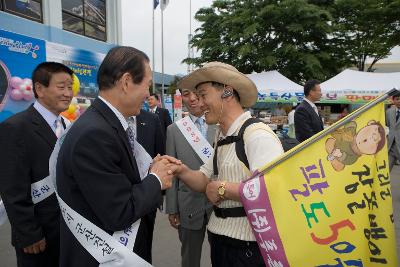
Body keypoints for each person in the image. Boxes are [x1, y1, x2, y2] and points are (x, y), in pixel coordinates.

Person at [55, 46, 179, 266]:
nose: (148, 94)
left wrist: (151, 170)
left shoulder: (103, 124)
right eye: (147, 85)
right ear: (126, 82)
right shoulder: (95, 134)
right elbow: (119, 211)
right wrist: (157, 178)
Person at [172, 62, 284, 267]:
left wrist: (222, 189)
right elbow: (204, 179)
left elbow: (273, 189)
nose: (198, 102)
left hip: (248, 246)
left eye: (203, 94)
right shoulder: (222, 137)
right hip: (221, 239)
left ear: (227, 92)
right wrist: (179, 169)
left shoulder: (257, 135)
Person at [0, 62, 73, 267]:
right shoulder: (15, 128)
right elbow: (12, 189)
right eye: (61, 87)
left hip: (70, 231)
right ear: (39, 89)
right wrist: (29, 234)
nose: (68, 93)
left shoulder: (67, 126)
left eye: (70, 87)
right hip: (38, 237)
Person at [165, 88, 216, 267]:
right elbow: (171, 172)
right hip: (188, 204)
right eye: (187, 94)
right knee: (189, 259)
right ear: (181, 97)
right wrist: (172, 208)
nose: (193, 99)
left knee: (222, 256)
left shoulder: (219, 124)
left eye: (197, 93)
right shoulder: (174, 130)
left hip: (219, 203)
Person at [134, 109, 165, 263]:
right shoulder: (105, 123)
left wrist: (160, 195)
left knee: (144, 250)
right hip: (118, 202)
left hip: (148, 199)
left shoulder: (152, 119)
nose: (147, 95)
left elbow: (160, 154)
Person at [386, 91, 400, 170]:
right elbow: (387, 126)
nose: (399, 101)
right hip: (391, 146)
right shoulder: (388, 112)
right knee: (386, 170)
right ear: (393, 100)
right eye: (397, 99)